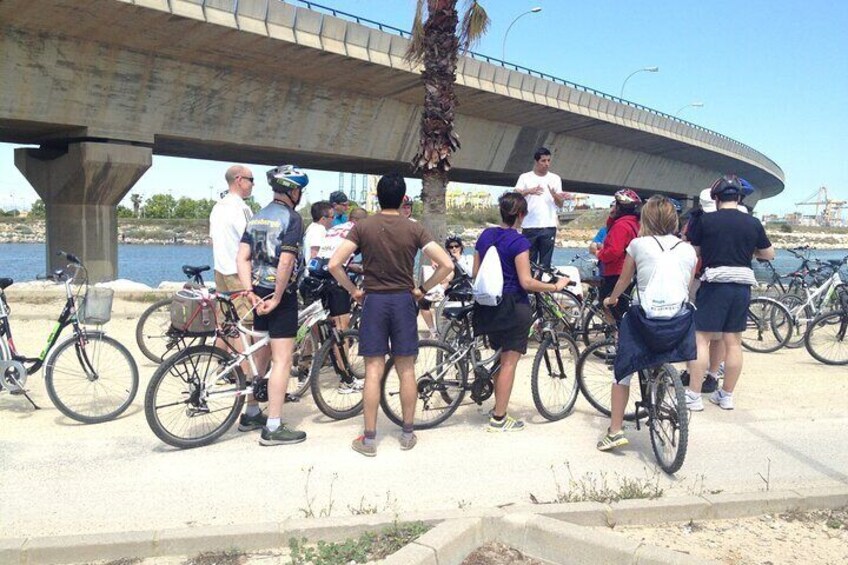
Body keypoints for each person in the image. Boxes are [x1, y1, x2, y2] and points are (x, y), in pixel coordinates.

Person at [328, 174, 453, 456]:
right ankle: (407, 434)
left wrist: (353, 290)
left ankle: (369, 439)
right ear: (402, 198)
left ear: (378, 197)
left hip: (373, 301)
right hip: (403, 301)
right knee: (406, 369)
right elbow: (445, 263)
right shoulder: (414, 228)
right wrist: (422, 289)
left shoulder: (363, 226)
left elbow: (335, 263)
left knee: (373, 370)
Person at [598, 196, 697, 451]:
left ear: (646, 218)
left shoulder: (638, 244)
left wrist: (612, 298)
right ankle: (661, 381)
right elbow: (685, 286)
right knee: (661, 355)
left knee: (623, 372)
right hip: (679, 321)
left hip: (645, 320)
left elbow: (624, 280)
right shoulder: (688, 250)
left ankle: (615, 430)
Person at [472, 192, 571, 432]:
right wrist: (555, 286)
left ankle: (498, 405)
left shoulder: (485, 236)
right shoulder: (519, 242)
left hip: (487, 306)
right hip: (513, 306)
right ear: (520, 214)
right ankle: (499, 418)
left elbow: (476, 273)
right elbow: (526, 282)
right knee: (509, 362)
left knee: (498, 357)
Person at [685, 175, 775, 411]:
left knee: (701, 339)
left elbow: (693, 251)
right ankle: (726, 396)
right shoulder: (752, 223)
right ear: (739, 197)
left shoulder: (707, 221)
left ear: (716, 198)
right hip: (741, 285)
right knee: (733, 342)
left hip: (714, 283)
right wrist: (748, 250)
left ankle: (694, 397)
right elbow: (769, 254)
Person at [236, 164, 309, 446]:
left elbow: (242, 257)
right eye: (299, 190)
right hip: (281, 296)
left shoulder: (257, 216)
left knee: (262, 355)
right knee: (282, 360)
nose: (299, 195)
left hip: (257, 294)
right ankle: (274, 426)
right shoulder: (292, 218)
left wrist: (249, 291)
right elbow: (287, 261)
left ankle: (251, 411)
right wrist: (278, 296)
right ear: (293, 190)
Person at [209, 165, 258, 430]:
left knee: (227, 324)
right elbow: (249, 245)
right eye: (251, 180)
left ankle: (219, 369)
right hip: (238, 274)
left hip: (220, 272)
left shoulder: (217, 207)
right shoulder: (241, 209)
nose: (253, 185)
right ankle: (247, 385)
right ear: (238, 180)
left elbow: (213, 240)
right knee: (247, 332)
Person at [591, 189, 642, 322]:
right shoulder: (633, 223)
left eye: (615, 205)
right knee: (621, 307)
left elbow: (614, 251)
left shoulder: (621, 226)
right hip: (626, 270)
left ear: (620, 207)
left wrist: (598, 253)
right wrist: (611, 217)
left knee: (610, 304)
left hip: (615, 271)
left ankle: (616, 335)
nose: (613, 208)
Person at [514, 147, 565, 269]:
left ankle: (542, 287)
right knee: (529, 263)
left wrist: (554, 195)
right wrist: (528, 191)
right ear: (536, 161)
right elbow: (515, 196)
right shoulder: (525, 177)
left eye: (548, 160)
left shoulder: (555, 178)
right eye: (543, 161)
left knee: (545, 264)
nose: (546, 164)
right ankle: (529, 287)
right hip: (529, 226)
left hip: (548, 226)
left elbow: (560, 204)